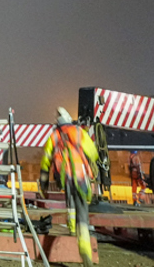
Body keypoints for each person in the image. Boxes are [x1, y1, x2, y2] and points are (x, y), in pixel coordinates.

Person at [40, 107, 99, 266]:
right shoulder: (79, 132)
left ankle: (72, 229)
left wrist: (43, 184)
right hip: (80, 177)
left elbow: (46, 161)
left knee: (71, 203)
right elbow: (93, 152)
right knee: (82, 213)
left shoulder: (54, 136)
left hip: (66, 177)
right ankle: (85, 251)